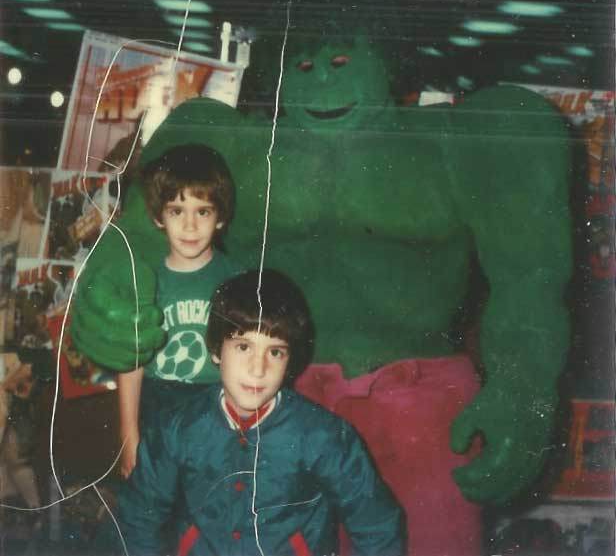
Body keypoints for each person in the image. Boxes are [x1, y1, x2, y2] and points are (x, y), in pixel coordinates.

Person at [71, 27, 572, 555]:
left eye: (341, 61)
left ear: (387, 59)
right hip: (275, 395)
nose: (324, 81)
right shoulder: (234, 145)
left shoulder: (454, 142)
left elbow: (530, 278)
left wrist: (523, 388)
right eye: (306, 67)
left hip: (419, 401)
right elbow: (138, 238)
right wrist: (103, 294)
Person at [118, 269, 405, 556]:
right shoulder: (177, 428)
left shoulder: (325, 436)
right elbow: (139, 518)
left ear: (289, 361)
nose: (258, 369)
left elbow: (378, 526)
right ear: (216, 350)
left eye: (275, 352)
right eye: (244, 347)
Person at [114, 143, 240, 478]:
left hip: (216, 408)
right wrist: (129, 436)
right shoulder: (144, 281)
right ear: (159, 216)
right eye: (176, 211)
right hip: (158, 405)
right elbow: (131, 364)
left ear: (220, 217)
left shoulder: (236, 280)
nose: (190, 226)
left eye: (203, 212)